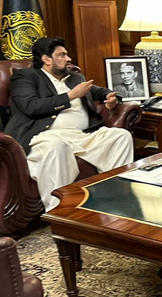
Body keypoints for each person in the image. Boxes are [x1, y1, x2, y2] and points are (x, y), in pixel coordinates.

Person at [4, 37, 134, 211]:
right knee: (57, 146)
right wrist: (71, 96)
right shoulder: (26, 77)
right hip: (45, 136)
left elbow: (100, 91)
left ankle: (114, 199)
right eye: (62, 55)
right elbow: (30, 106)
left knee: (120, 136)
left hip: (81, 136)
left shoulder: (74, 77)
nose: (68, 59)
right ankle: (60, 212)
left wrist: (111, 98)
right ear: (46, 59)